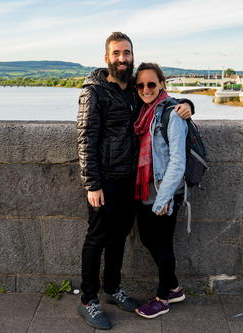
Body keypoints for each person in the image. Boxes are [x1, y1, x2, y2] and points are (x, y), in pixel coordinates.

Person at [76, 32, 192, 330]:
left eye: (126, 53)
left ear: (132, 55)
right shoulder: (94, 91)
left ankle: (113, 289)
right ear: (107, 58)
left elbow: (163, 101)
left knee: (118, 238)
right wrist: (92, 183)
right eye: (116, 53)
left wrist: (189, 103)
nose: (122, 58)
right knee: (97, 238)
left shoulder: (133, 89)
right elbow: (86, 138)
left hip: (131, 181)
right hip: (105, 179)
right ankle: (89, 299)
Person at [133, 63, 187, 319]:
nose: (146, 89)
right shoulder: (143, 113)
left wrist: (164, 198)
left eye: (151, 84)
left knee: (163, 245)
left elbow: (177, 162)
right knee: (147, 239)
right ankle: (174, 288)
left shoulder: (173, 115)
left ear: (162, 84)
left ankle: (162, 297)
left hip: (164, 192)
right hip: (146, 191)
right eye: (141, 85)